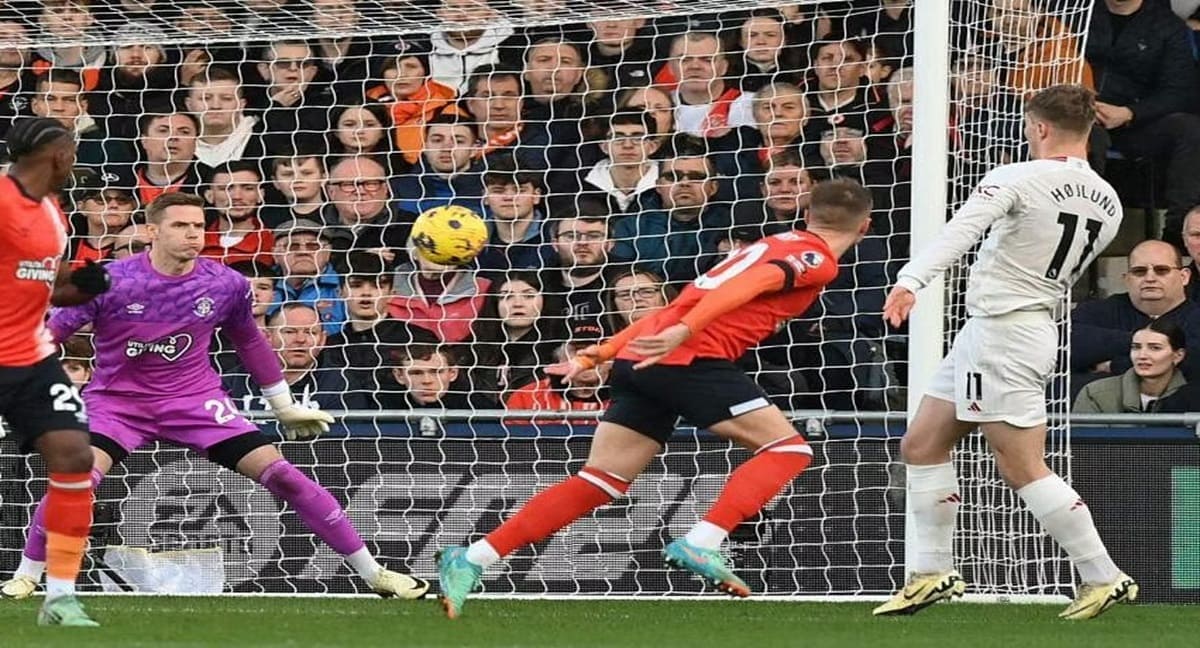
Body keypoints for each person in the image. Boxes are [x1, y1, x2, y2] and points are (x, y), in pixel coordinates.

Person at [435, 178, 873, 618]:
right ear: (865, 228)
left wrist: (601, 353)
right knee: (789, 449)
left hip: (642, 357)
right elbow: (738, 291)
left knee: (600, 480)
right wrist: (686, 332)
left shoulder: (771, 242)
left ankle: (473, 558)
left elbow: (673, 307)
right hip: (690, 357)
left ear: (805, 214)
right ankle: (702, 542)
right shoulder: (816, 259)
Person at [0, 193, 429, 606]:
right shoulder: (108, 280)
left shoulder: (226, 284)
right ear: (151, 231)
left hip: (195, 402)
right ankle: (28, 573)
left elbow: (251, 342)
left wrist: (282, 405)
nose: (193, 235)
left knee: (285, 477)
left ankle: (375, 573)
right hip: (117, 404)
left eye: (199, 226)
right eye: (181, 226)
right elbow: (47, 334)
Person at [875, 85, 1134, 620]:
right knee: (921, 445)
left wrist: (910, 281)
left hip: (1005, 335)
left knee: (1022, 467)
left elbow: (960, 232)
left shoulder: (1017, 177)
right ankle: (932, 572)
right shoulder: (1109, 201)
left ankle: (1103, 575)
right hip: (1004, 329)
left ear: (1038, 127)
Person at [0, 117, 112, 626]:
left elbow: (42, 285)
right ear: (56, 155)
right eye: (72, 151)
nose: (75, 162)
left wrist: (82, 282)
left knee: (73, 455)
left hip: (31, 357)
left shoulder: (51, 212)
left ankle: (60, 598)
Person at [1073, 319, 1186, 414]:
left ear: (1178, 355)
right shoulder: (1095, 394)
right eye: (1136, 347)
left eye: (1155, 348)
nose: (1142, 356)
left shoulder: (1193, 396)